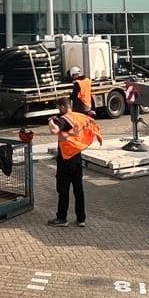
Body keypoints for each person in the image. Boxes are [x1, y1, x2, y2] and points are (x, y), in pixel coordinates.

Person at [47, 97, 102, 228]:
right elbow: (92, 123)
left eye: (58, 107)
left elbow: (54, 130)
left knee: (63, 190)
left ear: (61, 107)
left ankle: (62, 218)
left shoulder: (63, 120)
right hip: (77, 157)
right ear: (70, 105)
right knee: (78, 190)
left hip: (65, 159)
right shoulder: (79, 117)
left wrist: (50, 121)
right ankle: (81, 219)